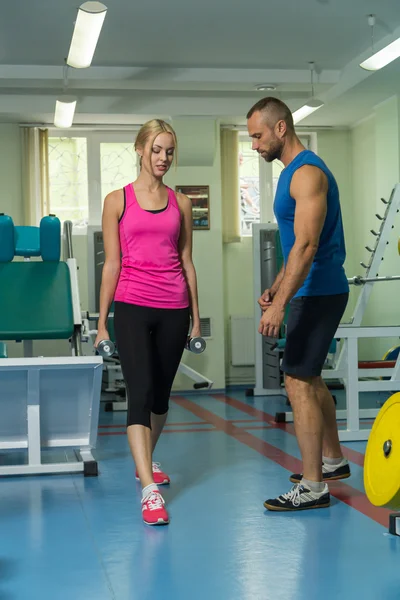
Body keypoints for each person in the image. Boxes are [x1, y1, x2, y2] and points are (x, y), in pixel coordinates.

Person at [95, 119, 201, 526]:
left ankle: (147, 461)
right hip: (133, 305)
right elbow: (112, 265)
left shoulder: (181, 203)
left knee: (160, 398)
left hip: (173, 307)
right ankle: (148, 489)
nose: (163, 158)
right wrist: (103, 323)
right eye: (156, 150)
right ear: (139, 149)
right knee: (138, 393)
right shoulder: (117, 200)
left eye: (169, 151)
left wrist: (195, 320)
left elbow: (188, 263)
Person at [246, 97, 350, 511]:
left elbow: (307, 246)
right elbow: (295, 246)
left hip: (318, 290)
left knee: (297, 382)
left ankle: (312, 486)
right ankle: (333, 461)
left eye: (257, 135)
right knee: (311, 377)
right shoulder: (292, 172)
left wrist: (279, 306)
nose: (254, 145)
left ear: (281, 128)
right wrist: (276, 287)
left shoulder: (307, 173)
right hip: (311, 288)